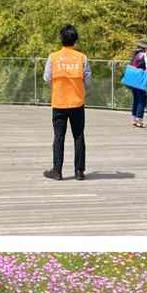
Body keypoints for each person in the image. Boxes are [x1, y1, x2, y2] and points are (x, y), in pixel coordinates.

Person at [43, 23, 91, 181]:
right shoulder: (82, 58)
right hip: (77, 102)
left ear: (61, 39)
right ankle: (79, 171)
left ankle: (57, 171)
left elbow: (47, 77)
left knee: (59, 137)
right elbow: (88, 80)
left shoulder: (53, 57)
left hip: (59, 102)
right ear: (75, 40)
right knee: (78, 136)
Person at [127, 42, 147, 128]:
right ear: (145, 49)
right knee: (142, 100)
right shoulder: (145, 55)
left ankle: (134, 119)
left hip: (133, 80)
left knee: (136, 99)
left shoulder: (136, 55)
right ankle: (139, 120)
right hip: (141, 80)